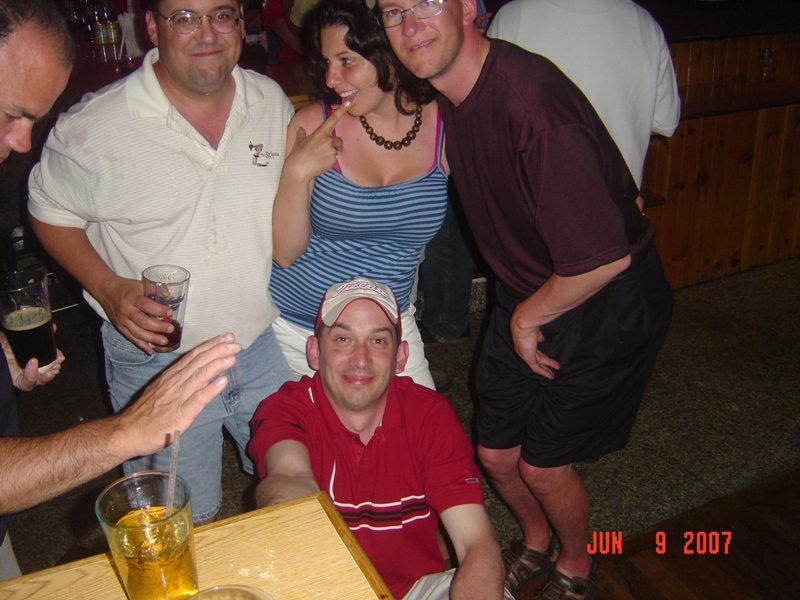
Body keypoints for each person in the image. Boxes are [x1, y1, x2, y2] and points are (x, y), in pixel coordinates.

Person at [376, 0, 674, 598]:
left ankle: (576, 563)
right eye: (393, 10)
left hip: (605, 300)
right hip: (531, 290)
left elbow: (604, 258)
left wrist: (526, 318)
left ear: (468, 7)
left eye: (426, 1)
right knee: (495, 453)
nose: (410, 24)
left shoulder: (529, 104)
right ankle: (536, 541)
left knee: (542, 464)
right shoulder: (452, 93)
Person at [27, 0, 295, 525]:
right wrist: (107, 288)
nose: (207, 33)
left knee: (294, 491)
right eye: (185, 17)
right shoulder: (93, 126)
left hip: (258, 341)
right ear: (151, 26)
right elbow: (47, 211)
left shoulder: (270, 102)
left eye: (222, 15)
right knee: (178, 520)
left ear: (242, 23)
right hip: (156, 359)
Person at [249, 278, 506, 600]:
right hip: (320, 588)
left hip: (414, 589)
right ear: (315, 352)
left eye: (378, 341)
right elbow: (289, 475)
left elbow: (475, 541)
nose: (360, 359)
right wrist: (286, 508)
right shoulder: (286, 408)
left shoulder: (429, 413)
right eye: (343, 339)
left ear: (400, 357)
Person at [269, 0, 449, 390]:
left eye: (347, 61)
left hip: (387, 328)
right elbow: (284, 254)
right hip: (303, 329)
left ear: (390, 53)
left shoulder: (445, 125)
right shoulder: (314, 124)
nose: (332, 79)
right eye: (326, 62)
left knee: (422, 428)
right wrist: (296, 173)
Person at [487, 0, 681, 189]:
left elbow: (486, 122)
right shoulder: (645, 24)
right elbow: (665, 121)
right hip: (617, 202)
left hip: (533, 200)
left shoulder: (514, 17)